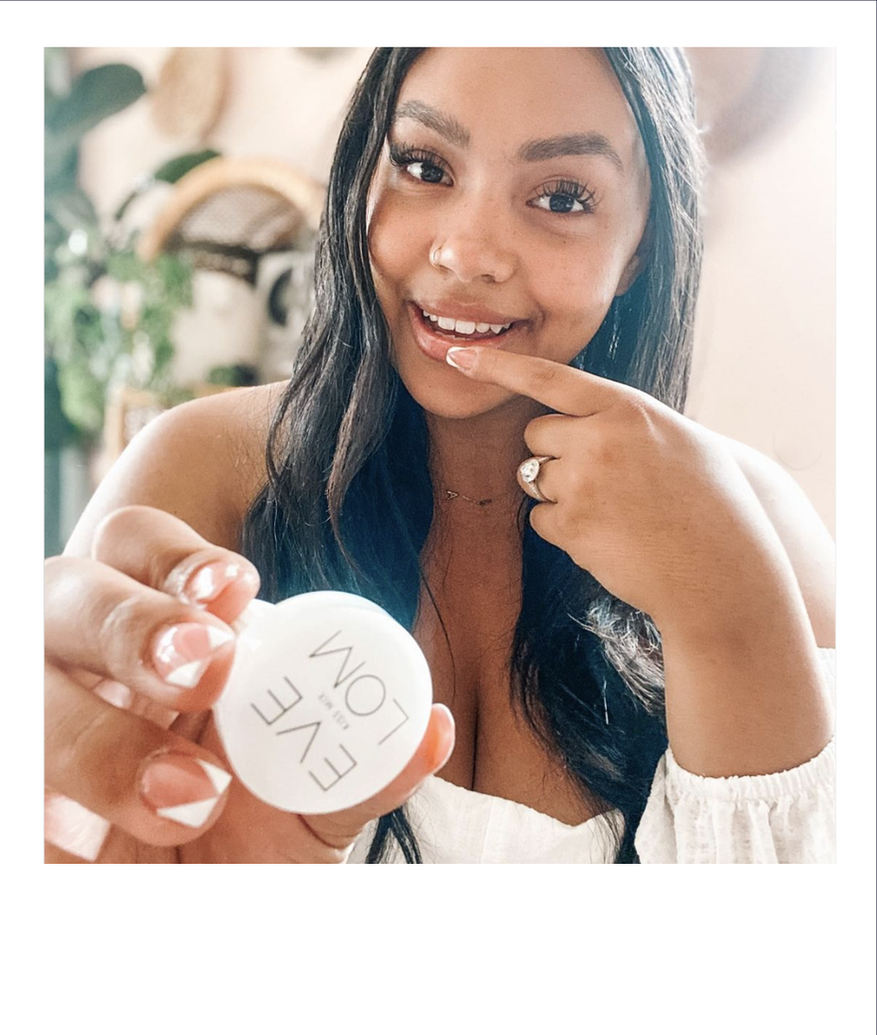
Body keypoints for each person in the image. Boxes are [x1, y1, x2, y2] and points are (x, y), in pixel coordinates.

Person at [44, 47, 836, 864]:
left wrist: (727, 617)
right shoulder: (205, 470)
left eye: (562, 197)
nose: (467, 251)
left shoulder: (752, 529)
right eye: (424, 167)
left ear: (640, 244)